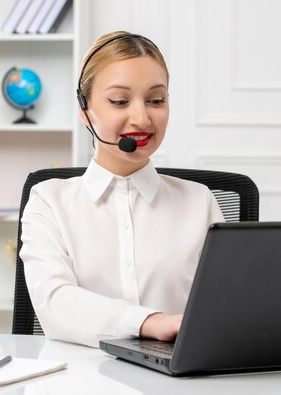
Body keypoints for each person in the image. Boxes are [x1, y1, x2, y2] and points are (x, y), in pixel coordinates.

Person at [20, 31, 224, 348]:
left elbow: (225, 310)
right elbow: (54, 302)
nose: (142, 118)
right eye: (120, 101)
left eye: (157, 100)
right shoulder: (49, 201)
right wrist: (148, 323)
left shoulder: (200, 202)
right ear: (85, 110)